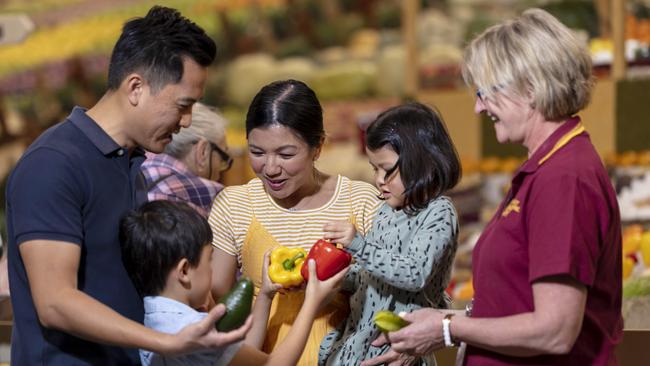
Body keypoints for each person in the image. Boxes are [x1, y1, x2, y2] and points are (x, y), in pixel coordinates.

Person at [362, 8, 623, 366]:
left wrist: (448, 328)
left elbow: (555, 330)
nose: (478, 107)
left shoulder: (562, 179)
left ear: (530, 88)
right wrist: (443, 325)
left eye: (485, 92)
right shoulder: (548, 166)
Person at [5, 6, 249, 365]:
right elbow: (55, 302)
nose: (186, 121)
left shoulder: (129, 162)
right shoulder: (54, 163)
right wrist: (164, 342)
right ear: (136, 87)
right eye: (183, 105)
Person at [208, 79, 382, 365]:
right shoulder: (235, 205)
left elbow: (389, 292)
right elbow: (220, 307)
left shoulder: (360, 202)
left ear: (318, 147)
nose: (271, 168)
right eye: (257, 152)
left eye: (286, 154)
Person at [119, 200, 348, 366]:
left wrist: (266, 295)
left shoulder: (153, 318)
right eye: (209, 260)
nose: (211, 269)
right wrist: (311, 304)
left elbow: (245, 354)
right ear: (185, 271)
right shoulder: (193, 330)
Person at [319, 102, 461, 366]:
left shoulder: (438, 212)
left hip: (396, 350)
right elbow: (372, 274)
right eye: (374, 169)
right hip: (359, 340)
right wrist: (334, 275)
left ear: (422, 163)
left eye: (387, 169)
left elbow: (416, 273)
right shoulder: (386, 210)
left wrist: (358, 245)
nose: (379, 180)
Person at [142, 102, 233, 217]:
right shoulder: (217, 199)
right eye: (222, 158)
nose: (221, 170)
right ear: (203, 152)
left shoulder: (133, 172)